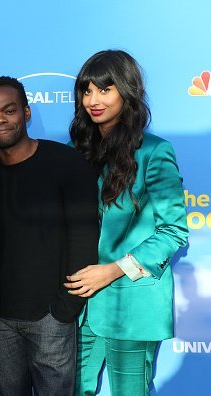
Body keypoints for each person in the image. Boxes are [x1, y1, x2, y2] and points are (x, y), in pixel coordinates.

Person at [64, 50, 189, 395]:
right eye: (86, 91)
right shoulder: (79, 152)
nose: (93, 100)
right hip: (80, 305)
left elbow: (173, 231)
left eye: (105, 90)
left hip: (133, 302)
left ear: (127, 91)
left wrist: (113, 269)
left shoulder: (153, 152)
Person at [0, 76, 100, 396]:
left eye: (9, 110)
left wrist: (66, 307)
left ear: (26, 113)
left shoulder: (67, 163)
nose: (0, 120)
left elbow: (84, 238)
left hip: (51, 316)